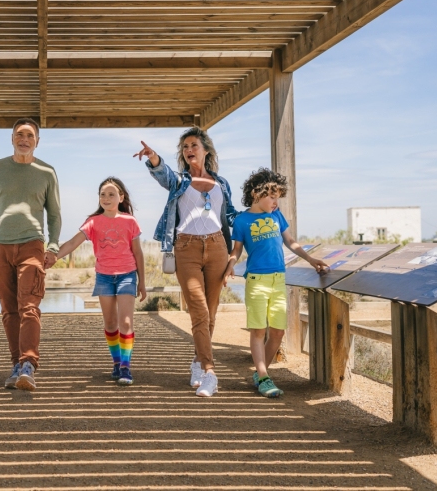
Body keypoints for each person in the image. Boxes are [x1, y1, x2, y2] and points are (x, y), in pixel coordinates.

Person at [134, 127, 237, 397]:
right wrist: (154, 157)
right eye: (184, 147)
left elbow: (233, 218)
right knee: (199, 309)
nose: (189, 150)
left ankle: (196, 362)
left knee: (210, 313)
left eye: (193, 145)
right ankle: (210, 372)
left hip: (217, 247)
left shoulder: (222, 184)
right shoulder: (179, 181)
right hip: (186, 248)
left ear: (206, 150)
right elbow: (163, 174)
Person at [0, 118, 61, 392]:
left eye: (30, 135)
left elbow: (55, 214)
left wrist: (53, 246)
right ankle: (15, 363)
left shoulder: (47, 172)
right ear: (12, 138)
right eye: (19, 134)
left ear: (37, 141)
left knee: (29, 306)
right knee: (9, 310)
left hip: (31, 244)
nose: (24, 139)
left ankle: (28, 364)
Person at [224, 168, 328, 398]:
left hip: (279, 280)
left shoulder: (277, 216)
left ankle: (261, 373)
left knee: (278, 333)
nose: (275, 201)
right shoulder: (241, 221)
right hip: (257, 281)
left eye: (278, 196)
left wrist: (311, 260)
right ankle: (263, 377)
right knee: (259, 330)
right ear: (256, 193)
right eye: (272, 196)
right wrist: (230, 265)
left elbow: (291, 242)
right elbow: (237, 250)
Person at [56, 177, 147, 386]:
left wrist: (142, 282)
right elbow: (72, 243)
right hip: (104, 276)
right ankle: (116, 363)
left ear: (121, 197)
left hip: (127, 275)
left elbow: (138, 253)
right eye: (103, 194)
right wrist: (52, 257)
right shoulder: (93, 222)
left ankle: (125, 367)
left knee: (125, 322)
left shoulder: (130, 221)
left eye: (111, 194)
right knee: (110, 323)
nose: (106, 198)